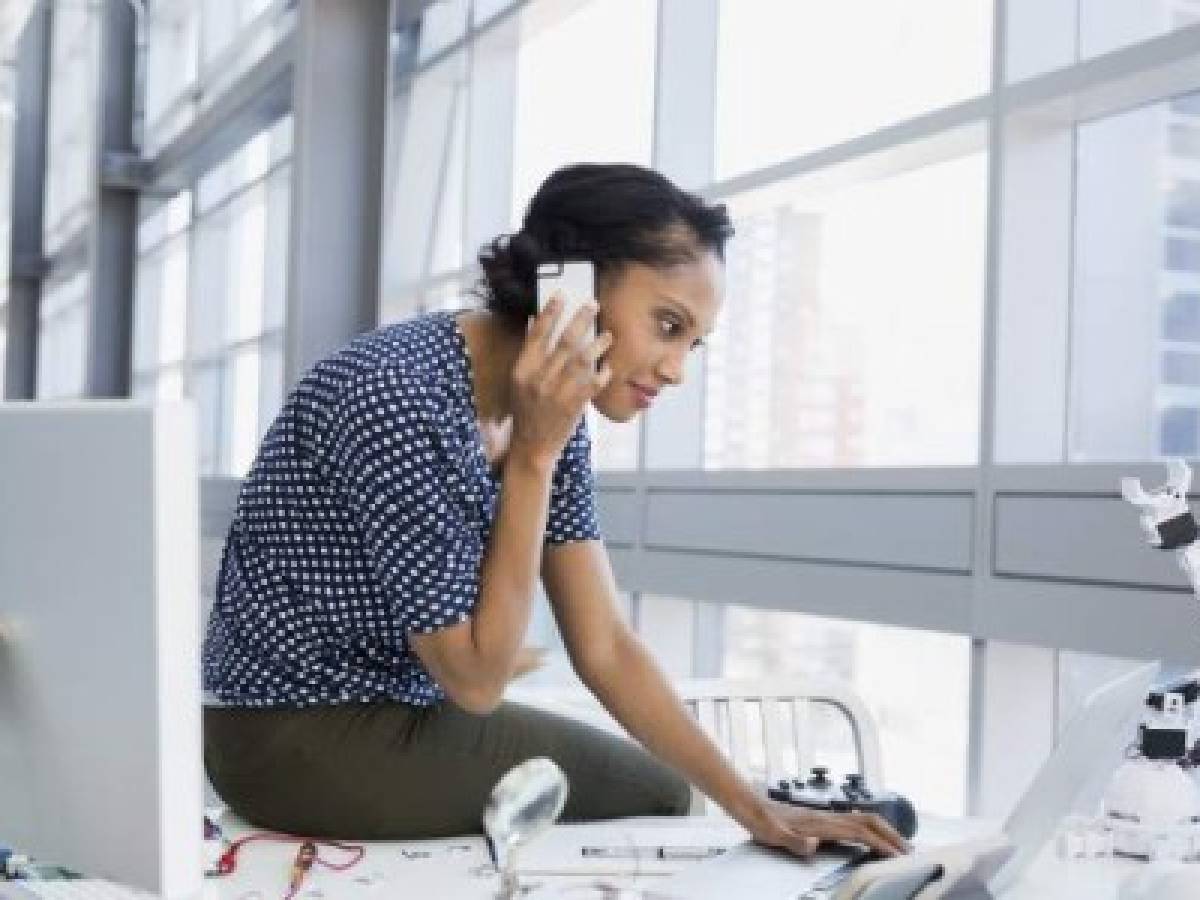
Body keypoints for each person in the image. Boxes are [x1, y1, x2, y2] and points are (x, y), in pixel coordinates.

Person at [202, 163, 908, 859]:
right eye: (666, 325)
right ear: (571, 286)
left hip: (403, 707)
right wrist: (534, 457)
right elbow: (477, 681)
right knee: (659, 791)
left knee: (668, 785)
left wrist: (754, 804)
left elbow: (603, 643)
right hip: (289, 737)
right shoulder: (398, 398)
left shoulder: (554, 400)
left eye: (692, 341)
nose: (676, 368)